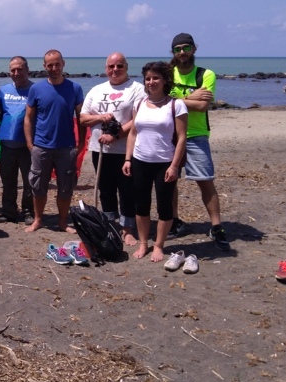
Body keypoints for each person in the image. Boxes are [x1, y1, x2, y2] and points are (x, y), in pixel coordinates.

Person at [168, 33, 230, 251]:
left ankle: (216, 226)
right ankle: (174, 221)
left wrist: (175, 101)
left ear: (195, 49)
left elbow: (202, 106)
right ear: (173, 52)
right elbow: (162, 103)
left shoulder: (206, 74)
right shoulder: (167, 73)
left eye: (186, 47)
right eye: (177, 49)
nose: (182, 52)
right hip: (170, 135)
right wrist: (190, 99)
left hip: (196, 135)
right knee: (169, 181)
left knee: (205, 181)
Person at [122, 62, 188, 262]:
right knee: (141, 205)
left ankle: (159, 245)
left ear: (165, 80)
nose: (151, 82)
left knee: (164, 207)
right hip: (140, 161)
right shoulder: (140, 103)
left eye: (156, 78)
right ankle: (144, 243)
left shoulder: (176, 105)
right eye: (148, 78)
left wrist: (174, 166)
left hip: (164, 163)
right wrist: (127, 159)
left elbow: (182, 137)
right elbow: (133, 133)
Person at [80, 52, 146, 245]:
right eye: (111, 66)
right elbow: (84, 118)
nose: (115, 70)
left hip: (126, 150)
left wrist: (115, 135)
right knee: (105, 189)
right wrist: (101, 118)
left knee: (127, 190)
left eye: (119, 66)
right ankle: (110, 224)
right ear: (106, 68)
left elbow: (138, 119)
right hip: (99, 150)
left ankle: (127, 229)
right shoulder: (96, 90)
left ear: (126, 67)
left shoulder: (137, 89)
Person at [24, 49, 86, 234]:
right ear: (44, 67)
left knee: (66, 187)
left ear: (63, 64)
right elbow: (28, 118)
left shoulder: (75, 89)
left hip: (66, 147)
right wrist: (30, 144)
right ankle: (38, 220)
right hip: (41, 146)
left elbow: (81, 117)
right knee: (38, 186)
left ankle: (62, 221)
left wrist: (81, 143)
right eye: (50, 65)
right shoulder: (36, 89)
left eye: (57, 64)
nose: (54, 68)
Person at [0, 56, 35, 225]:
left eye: (20, 69)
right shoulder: (3, 90)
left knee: (29, 181)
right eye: (13, 70)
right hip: (7, 144)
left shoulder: (35, 89)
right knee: (8, 180)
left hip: (28, 145)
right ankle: (9, 211)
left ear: (27, 70)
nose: (16, 73)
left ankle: (28, 211)